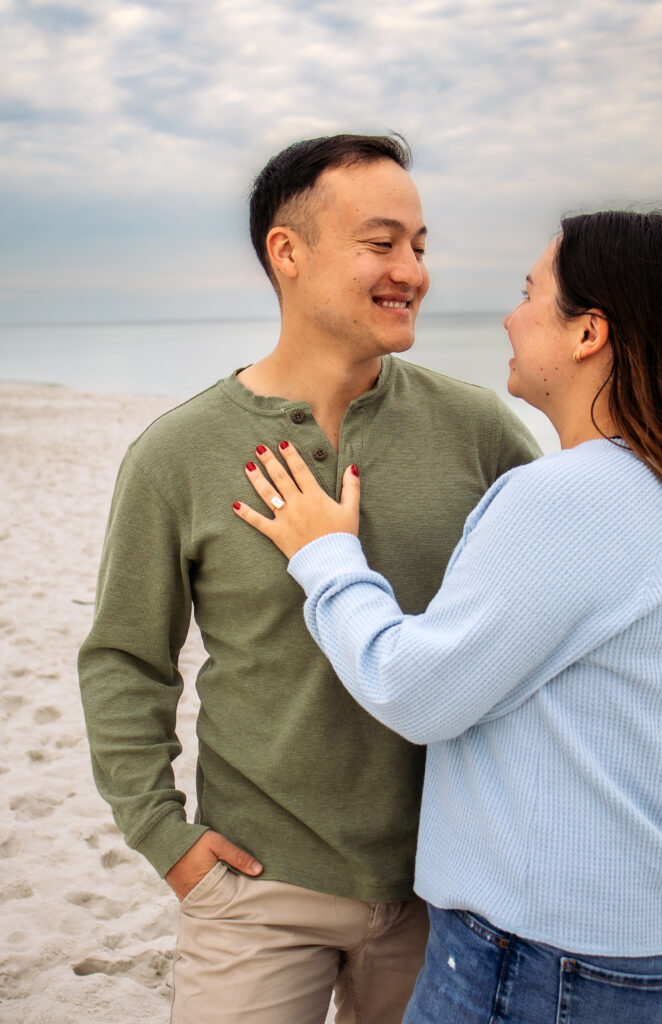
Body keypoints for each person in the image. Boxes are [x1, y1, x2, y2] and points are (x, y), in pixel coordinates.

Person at [78, 133, 540, 1024]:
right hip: (255, 888)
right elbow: (125, 661)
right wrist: (163, 836)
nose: (411, 269)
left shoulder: (479, 429)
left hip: (447, 895)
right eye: (381, 242)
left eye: (420, 244)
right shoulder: (176, 454)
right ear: (287, 253)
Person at [234, 209, 662, 1022]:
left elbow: (415, 689)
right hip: (623, 943)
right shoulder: (641, 485)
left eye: (530, 292)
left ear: (587, 335)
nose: (509, 314)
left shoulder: (567, 497)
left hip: (537, 959)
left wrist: (325, 555)